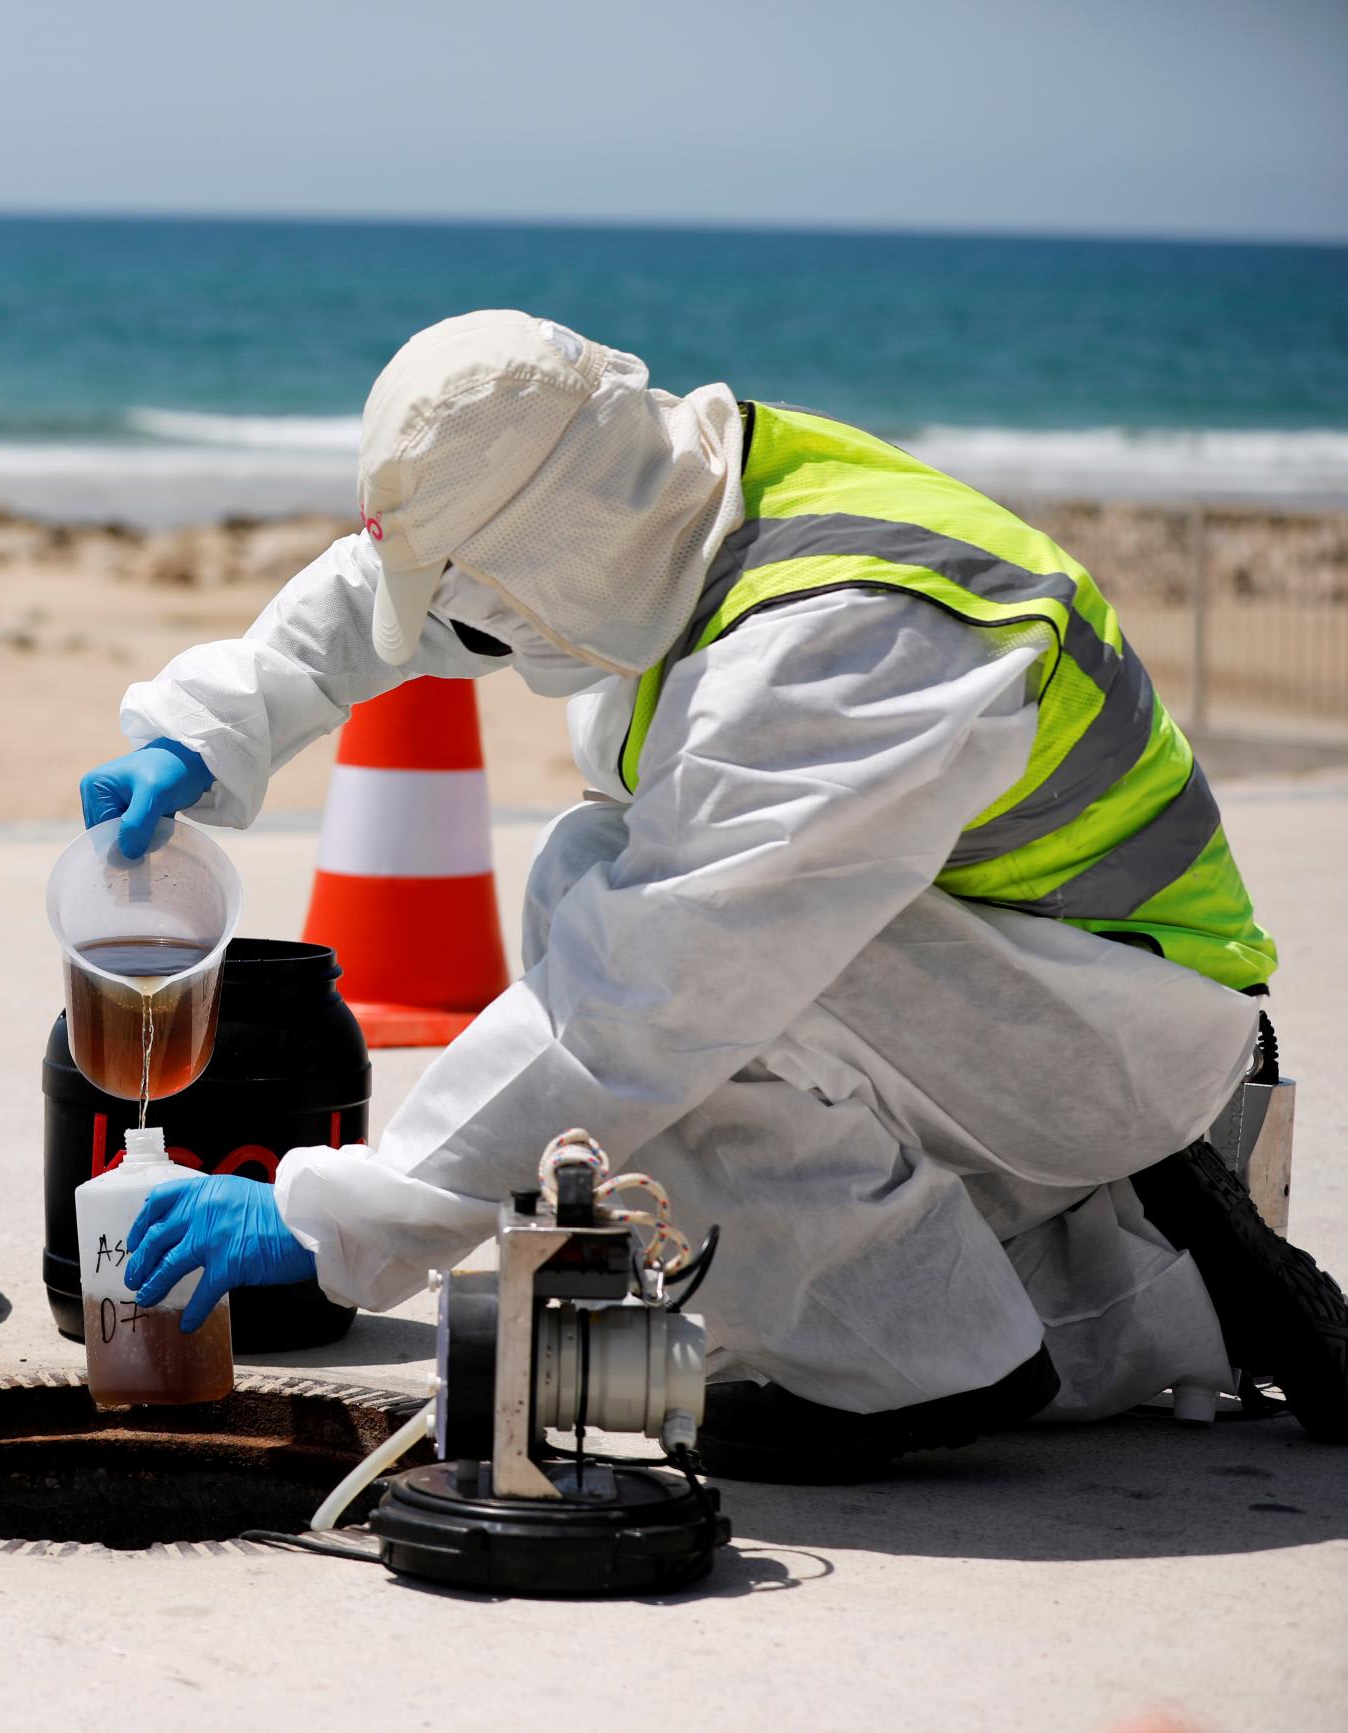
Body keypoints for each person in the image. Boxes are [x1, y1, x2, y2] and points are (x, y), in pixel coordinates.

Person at [85, 309, 1346, 1481]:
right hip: (1015, 981)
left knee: (662, 969)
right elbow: (385, 593)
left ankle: (911, 1366)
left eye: (486, 607)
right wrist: (204, 730)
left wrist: (344, 1215)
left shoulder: (840, 643)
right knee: (602, 884)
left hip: (1110, 1033)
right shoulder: (670, 492)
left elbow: (649, 998)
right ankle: (1079, 1284)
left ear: (561, 553)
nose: (467, 638)